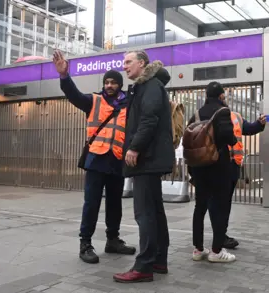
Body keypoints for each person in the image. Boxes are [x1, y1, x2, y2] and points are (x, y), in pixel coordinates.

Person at [52, 50, 136, 264]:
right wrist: (64, 76)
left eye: (113, 82)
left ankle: (113, 240)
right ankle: (85, 244)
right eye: (106, 82)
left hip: (117, 160)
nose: (109, 85)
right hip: (96, 160)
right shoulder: (93, 101)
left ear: (120, 84)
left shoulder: (129, 105)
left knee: (115, 203)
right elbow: (74, 95)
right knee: (91, 203)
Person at [113, 51, 174, 283]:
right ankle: (158, 259)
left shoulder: (149, 86)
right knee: (155, 212)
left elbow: (149, 119)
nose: (124, 67)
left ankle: (144, 266)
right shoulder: (148, 86)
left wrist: (135, 147)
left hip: (147, 159)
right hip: (152, 158)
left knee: (145, 213)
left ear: (142, 63)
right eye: (123, 63)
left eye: (128, 62)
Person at [188, 82, 238, 263]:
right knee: (220, 207)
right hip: (218, 166)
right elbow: (228, 137)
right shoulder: (222, 112)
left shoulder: (196, 114)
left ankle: (198, 249)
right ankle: (216, 251)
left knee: (199, 207)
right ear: (221, 96)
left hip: (199, 166)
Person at [223, 111, 267, 249]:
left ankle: (220, 234)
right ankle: (206, 241)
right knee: (215, 202)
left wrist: (259, 123)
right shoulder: (209, 114)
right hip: (217, 165)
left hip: (233, 165)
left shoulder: (236, 116)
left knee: (225, 202)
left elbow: (249, 128)